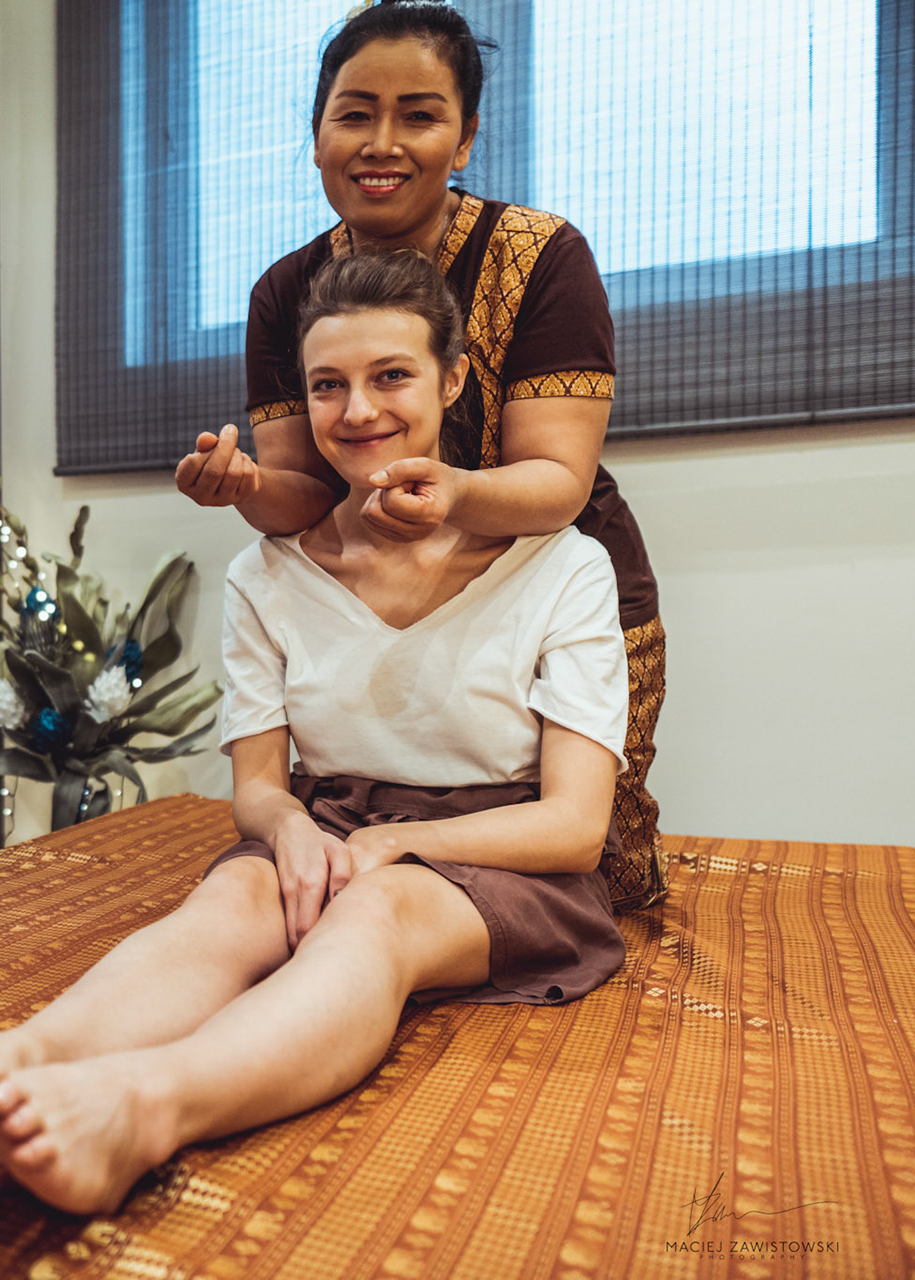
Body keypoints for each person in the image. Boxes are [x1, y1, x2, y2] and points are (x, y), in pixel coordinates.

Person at [0, 251, 630, 1215]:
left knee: (379, 913)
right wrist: (291, 830)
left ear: (452, 380)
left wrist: (397, 847)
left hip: (502, 853)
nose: (358, 411)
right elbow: (258, 787)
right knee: (229, 904)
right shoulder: (266, 573)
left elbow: (575, 827)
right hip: (333, 822)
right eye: (327, 385)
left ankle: (142, 1109)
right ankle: (8, 1065)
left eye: (392, 376)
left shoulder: (563, 566)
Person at [175, 0, 667, 911]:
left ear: (466, 136)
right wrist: (243, 487)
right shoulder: (286, 290)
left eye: (419, 115)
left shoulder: (542, 257)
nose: (382, 143)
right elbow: (302, 494)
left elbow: (557, 482)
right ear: (316, 135)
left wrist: (450, 494)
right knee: (345, 866)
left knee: (594, 871)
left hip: (531, 588)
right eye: (355, 114)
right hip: (374, 589)